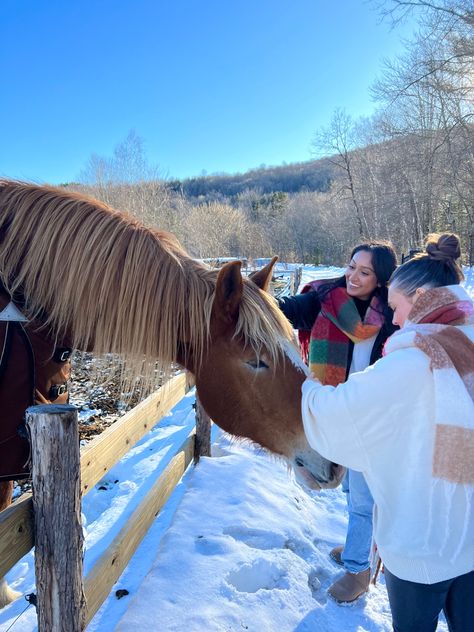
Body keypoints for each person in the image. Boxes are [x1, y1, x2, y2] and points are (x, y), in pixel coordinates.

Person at [301, 233, 474, 631]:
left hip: (421, 543)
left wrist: (306, 383)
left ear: (423, 299)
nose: (394, 319)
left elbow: (341, 415)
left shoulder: (413, 361)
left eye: (397, 307)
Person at [279, 241, 398, 603]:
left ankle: (358, 569)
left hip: (372, 416)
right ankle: (355, 546)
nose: (353, 276)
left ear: (380, 280)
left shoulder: (393, 315)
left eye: (364, 272)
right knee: (348, 490)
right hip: (334, 412)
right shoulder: (324, 299)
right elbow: (282, 311)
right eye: (350, 267)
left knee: (362, 497)